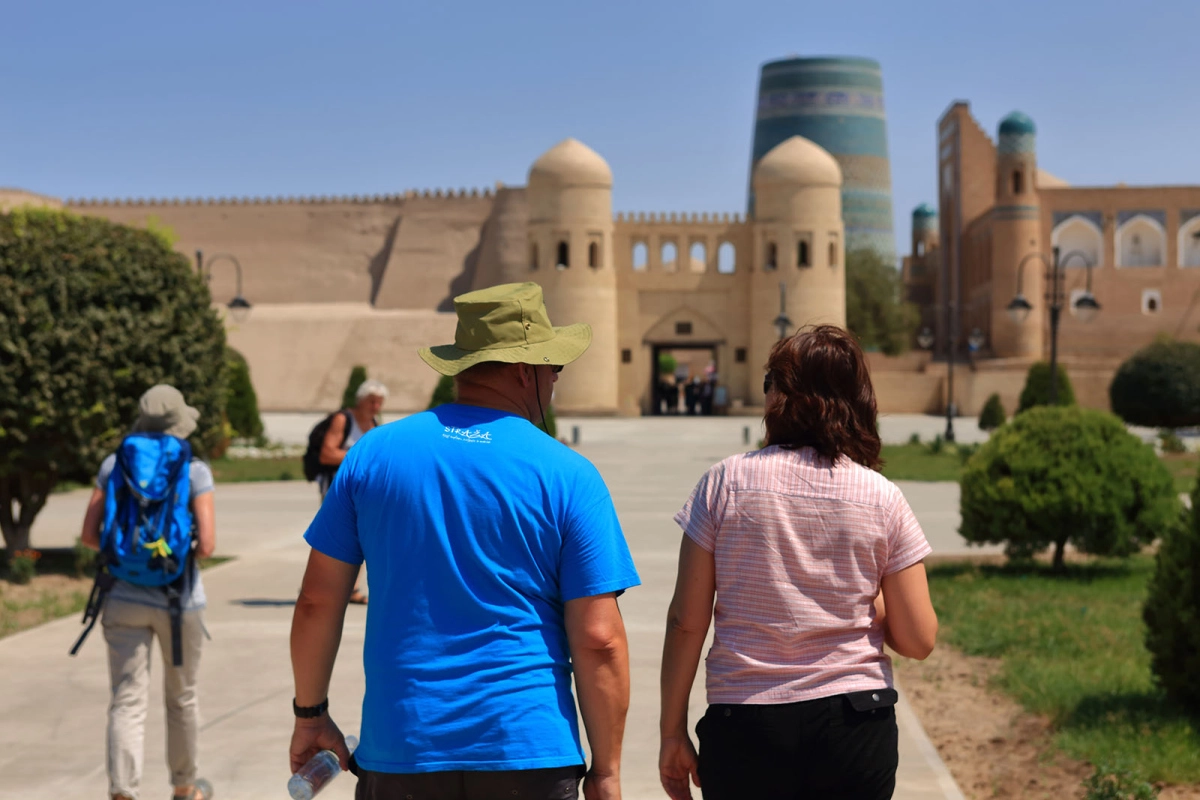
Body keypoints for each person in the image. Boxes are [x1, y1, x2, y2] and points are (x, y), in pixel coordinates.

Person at [289, 281, 641, 800]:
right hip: (528, 750)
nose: (554, 383)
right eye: (555, 369)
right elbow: (599, 639)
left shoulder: (373, 456)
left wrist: (310, 715)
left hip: (403, 748)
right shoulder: (569, 474)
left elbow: (317, 602)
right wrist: (606, 771)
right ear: (527, 370)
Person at [659, 325, 938, 800]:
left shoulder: (724, 484)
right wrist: (865, 606)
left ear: (780, 397)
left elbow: (688, 621)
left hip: (746, 723)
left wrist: (672, 732)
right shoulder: (882, 498)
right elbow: (918, 639)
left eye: (771, 381)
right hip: (855, 721)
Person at [79, 385, 216, 800]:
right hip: (180, 601)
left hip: (122, 597)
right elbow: (207, 545)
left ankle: (123, 792)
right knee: (182, 699)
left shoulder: (113, 464)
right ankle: (184, 787)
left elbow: (89, 536)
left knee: (126, 701)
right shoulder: (194, 470)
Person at [317, 379, 388, 604]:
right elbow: (327, 453)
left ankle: (351, 589)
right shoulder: (343, 420)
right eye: (371, 401)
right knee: (336, 536)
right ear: (360, 400)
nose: (375, 406)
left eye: (379, 402)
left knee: (362, 536)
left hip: (364, 489)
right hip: (336, 486)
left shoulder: (374, 424)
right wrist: (359, 458)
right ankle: (325, 585)